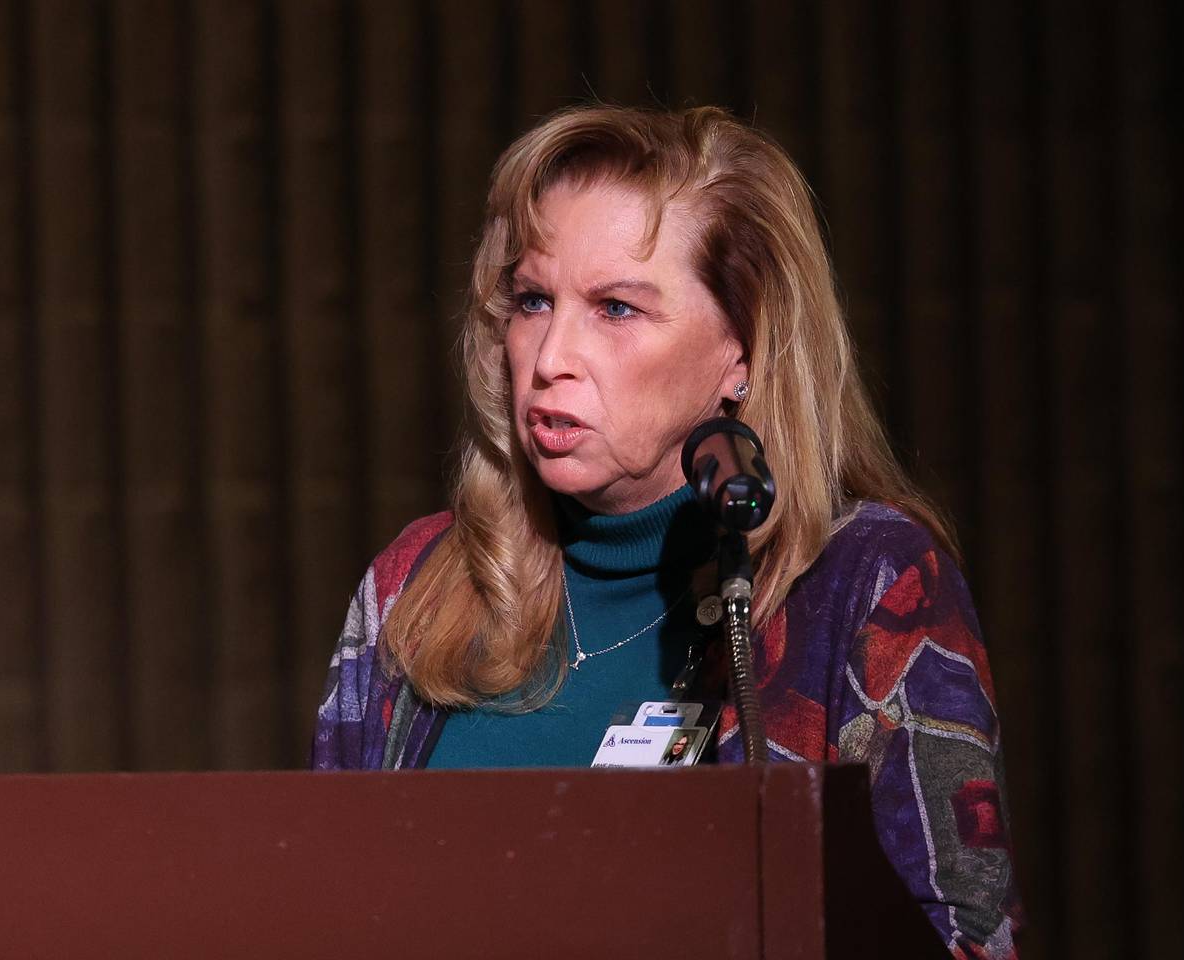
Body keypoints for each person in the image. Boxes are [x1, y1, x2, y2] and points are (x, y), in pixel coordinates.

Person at [313, 104, 1022, 956]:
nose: (549, 357)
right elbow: (323, 912)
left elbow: (964, 939)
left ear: (743, 350)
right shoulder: (419, 583)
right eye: (533, 300)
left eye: (615, 309)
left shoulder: (869, 583)